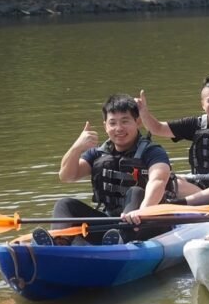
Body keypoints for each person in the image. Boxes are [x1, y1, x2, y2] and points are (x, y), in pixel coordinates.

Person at [31, 94, 175, 246]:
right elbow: (67, 176)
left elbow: (158, 180)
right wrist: (76, 148)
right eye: (112, 123)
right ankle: (59, 242)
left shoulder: (153, 152)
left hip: (145, 222)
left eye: (125, 121)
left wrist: (143, 211)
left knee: (136, 191)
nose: (118, 128)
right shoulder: (97, 154)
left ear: (137, 122)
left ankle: (121, 242)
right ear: (105, 126)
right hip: (110, 225)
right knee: (64, 204)